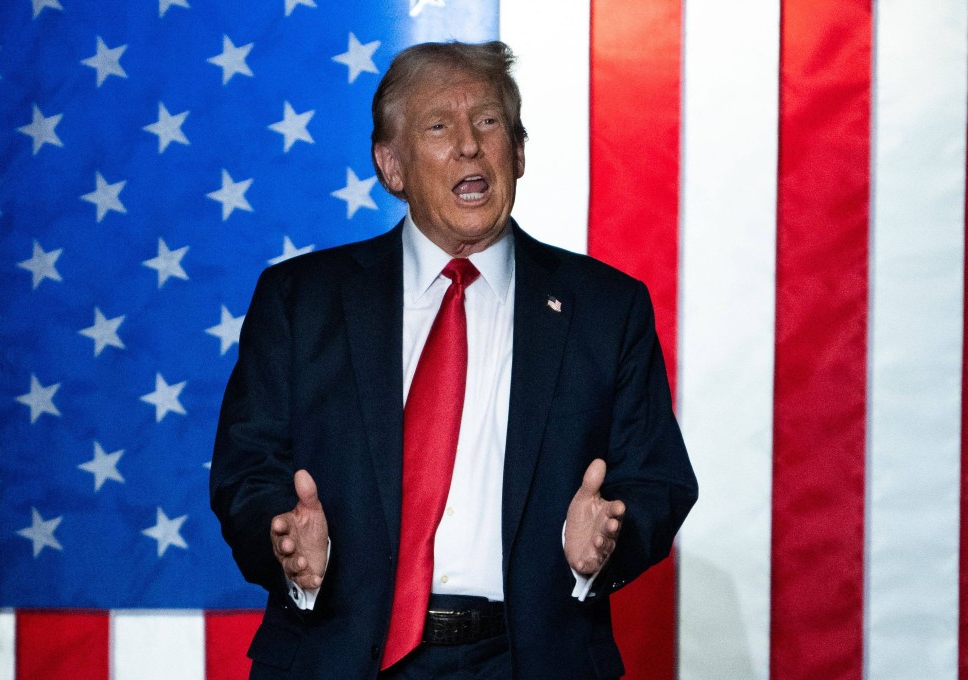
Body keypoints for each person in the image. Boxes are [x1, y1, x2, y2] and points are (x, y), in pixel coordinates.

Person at [211, 40, 697, 680]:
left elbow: (658, 479)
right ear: (392, 166)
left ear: (518, 152)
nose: (470, 145)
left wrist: (609, 541)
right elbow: (247, 469)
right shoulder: (301, 301)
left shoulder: (607, 309)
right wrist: (284, 545)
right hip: (342, 652)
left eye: (489, 122)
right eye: (439, 126)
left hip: (532, 659)